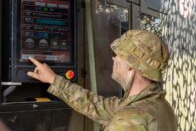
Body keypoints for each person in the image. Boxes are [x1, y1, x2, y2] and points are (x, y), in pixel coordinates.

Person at [27, 30, 177, 131]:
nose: (114, 58)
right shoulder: (159, 106)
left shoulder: (127, 122)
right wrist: (54, 80)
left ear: (131, 65)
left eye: (118, 55)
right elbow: (96, 105)